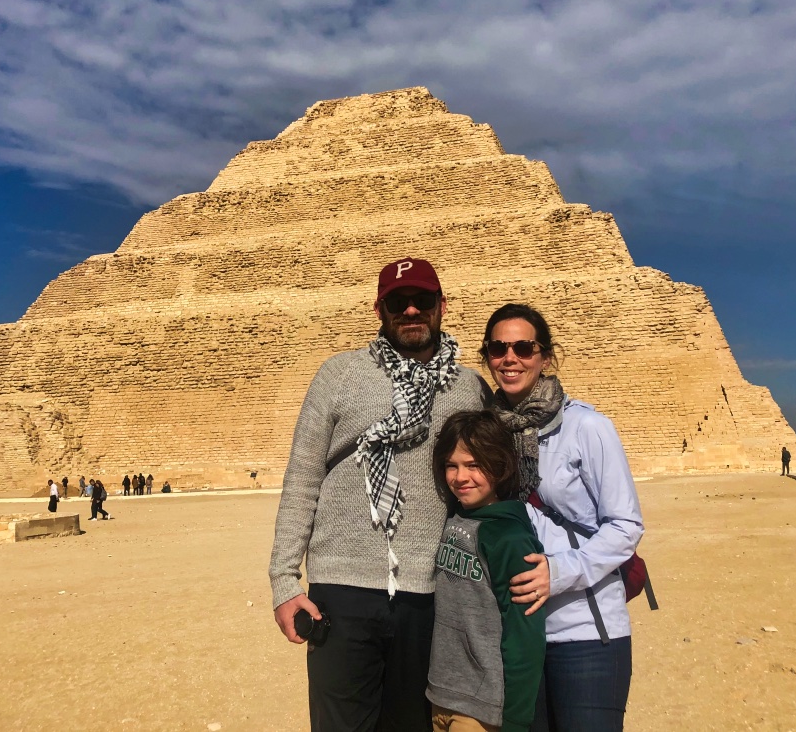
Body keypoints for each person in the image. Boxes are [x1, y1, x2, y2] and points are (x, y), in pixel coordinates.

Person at [269, 257, 489, 732]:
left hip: (428, 592)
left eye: (422, 300)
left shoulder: (470, 387)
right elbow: (303, 479)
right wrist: (284, 582)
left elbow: (495, 483)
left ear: (442, 306)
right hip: (341, 591)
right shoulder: (339, 374)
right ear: (379, 310)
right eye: (397, 302)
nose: (410, 310)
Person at [482, 303, 644, 732]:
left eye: (523, 348)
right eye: (498, 349)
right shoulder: (486, 435)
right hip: (517, 633)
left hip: (584, 633)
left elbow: (626, 525)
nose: (510, 358)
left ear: (546, 357)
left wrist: (558, 572)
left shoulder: (586, 427)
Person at [428, 410, 546, 732]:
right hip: (441, 695)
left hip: (481, 708)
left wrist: (516, 721)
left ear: (499, 464)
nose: (460, 477)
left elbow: (525, 635)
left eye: (474, 464)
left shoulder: (510, 539)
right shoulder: (454, 518)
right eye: (451, 465)